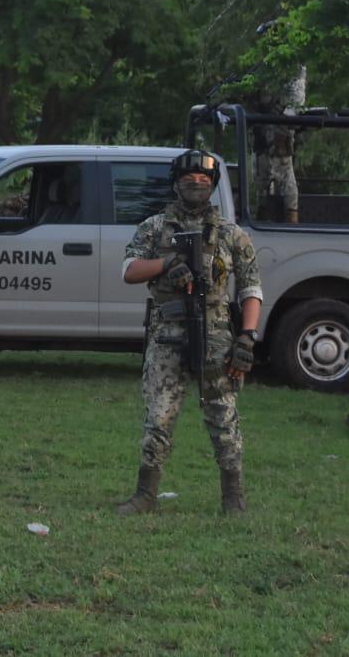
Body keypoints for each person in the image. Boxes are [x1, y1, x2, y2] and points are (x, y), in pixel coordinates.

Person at [118, 149, 262, 516]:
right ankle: (145, 495)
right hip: (167, 333)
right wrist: (167, 263)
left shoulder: (231, 234)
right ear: (175, 184)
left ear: (212, 185)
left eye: (203, 180)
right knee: (159, 417)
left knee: (222, 416)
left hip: (216, 335)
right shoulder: (154, 228)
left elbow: (251, 289)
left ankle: (234, 498)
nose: (196, 185)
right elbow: (129, 270)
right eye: (188, 180)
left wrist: (247, 337)